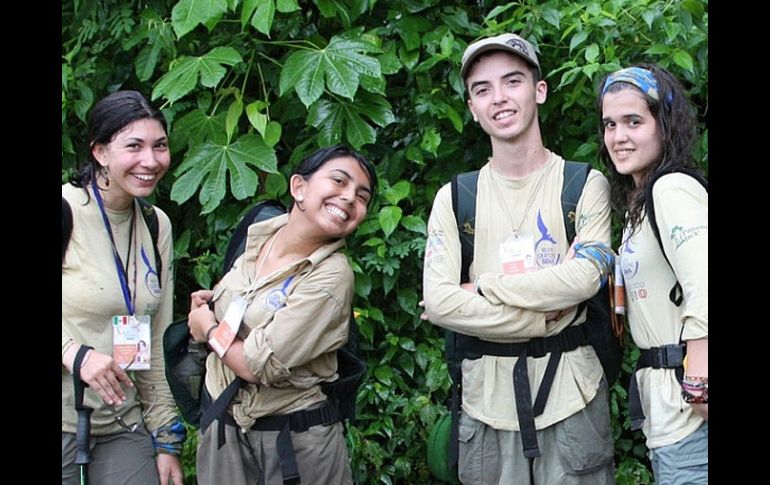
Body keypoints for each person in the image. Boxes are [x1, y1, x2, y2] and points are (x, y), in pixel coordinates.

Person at [422, 33, 616, 484]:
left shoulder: (583, 185)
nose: (499, 98)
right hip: (484, 406)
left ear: (539, 91)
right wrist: (544, 316)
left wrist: (484, 288)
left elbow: (587, 277)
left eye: (512, 82)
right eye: (482, 89)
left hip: (574, 395)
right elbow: (440, 302)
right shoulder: (454, 198)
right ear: (471, 107)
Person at [187, 144, 377, 485]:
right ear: (298, 187)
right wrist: (209, 303)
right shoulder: (259, 231)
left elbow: (257, 365)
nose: (349, 197)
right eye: (339, 181)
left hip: (295, 440)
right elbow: (235, 295)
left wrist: (208, 329)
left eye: (362, 196)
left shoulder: (332, 275)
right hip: (223, 428)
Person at [62, 90, 184, 485]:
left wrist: (166, 438)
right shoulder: (66, 209)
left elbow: (157, 339)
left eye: (159, 146)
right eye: (134, 146)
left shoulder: (155, 224)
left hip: (122, 425)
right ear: (100, 152)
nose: (151, 161)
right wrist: (74, 353)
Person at [598, 64, 708, 484]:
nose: (618, 136)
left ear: (664, 124)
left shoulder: (671, 189)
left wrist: (699, 386)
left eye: (633, 122)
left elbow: (705, 283)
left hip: (691, 411)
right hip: (669, 411)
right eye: (610, 124)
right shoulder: (640, 201)